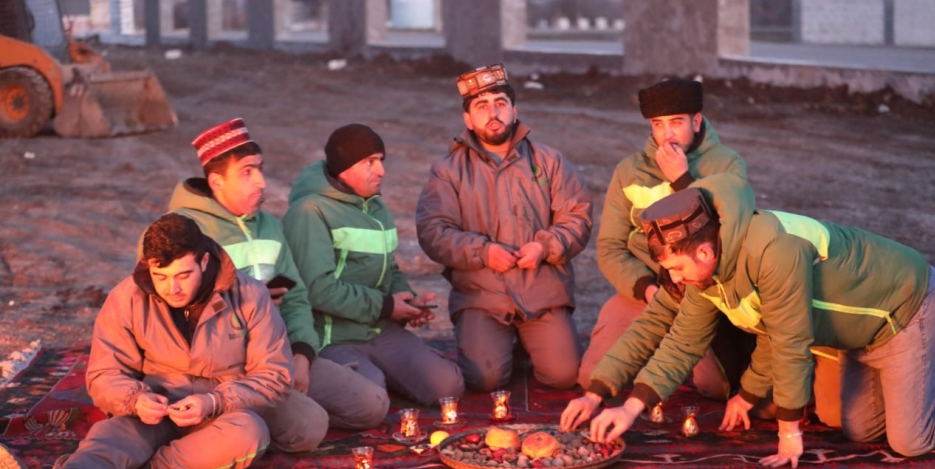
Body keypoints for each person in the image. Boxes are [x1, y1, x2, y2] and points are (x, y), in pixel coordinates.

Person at [565, 184, 935, 466]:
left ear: (704, 251)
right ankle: (920, 383)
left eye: (677, 268)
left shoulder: (774, 251)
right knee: (861, 429)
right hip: (858, 339)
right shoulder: (706, 275)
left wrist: (789, 431)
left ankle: (928, 368)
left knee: (910, 441)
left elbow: (791, 342)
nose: (675, 279)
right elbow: (682, 343)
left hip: (905, 308)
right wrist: (627, 407)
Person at [0, 214, 293, 469]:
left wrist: (213, 401)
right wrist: (135, 399)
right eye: (161, 276)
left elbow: (275, 375)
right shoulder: (126, 298)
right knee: (115, 436)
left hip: (222, 407)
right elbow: (103, 374)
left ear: (204, 261)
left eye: (183, 275)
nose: (172, 288)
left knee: (251, 433)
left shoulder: (249, 294)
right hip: (154, 407)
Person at [169, 118, 389, 440]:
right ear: (216, 181)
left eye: (260, 169)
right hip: (218, 372)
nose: (261, 182)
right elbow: (166, 317)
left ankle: (259, 418)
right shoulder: (180, 233)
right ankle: (236, 421)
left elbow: (296, 297)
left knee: (371, 405)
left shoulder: (270, 227)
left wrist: (301, 353)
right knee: (308, 429)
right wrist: (241, 301)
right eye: (247, 172)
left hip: (276, 357)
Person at [416, 64, 592, 393]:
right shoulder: (448, 171)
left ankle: (530, 341)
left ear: (514, 111)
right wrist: (483, 252)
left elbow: (577, 217)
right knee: (485, 380)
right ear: (468, 119)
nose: (493, 113)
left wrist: (544, 248)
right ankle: (495, 340)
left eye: (500, 103)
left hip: (541, 289)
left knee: (564, 376)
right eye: (481, 106)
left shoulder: (549, 161)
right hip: (481, 294)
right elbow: (433, 231)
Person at [577, 78, 753, 401]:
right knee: (593, 379)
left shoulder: (727, 164)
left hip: (701, 294)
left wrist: (681, 180)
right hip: (647, 291)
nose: (667, 134)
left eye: (676, 123)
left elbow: (728, 238)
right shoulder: (629, 170)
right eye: (658, 124)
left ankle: (672, 358)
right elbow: (610, 248)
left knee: (717, 388)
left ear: (696, 121)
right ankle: (651, 354)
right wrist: (646, 288)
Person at [282, 123, 464, 405]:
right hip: (333, 337)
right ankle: (356, 377)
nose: (381, 171)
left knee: (448, 387)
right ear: (344, 168)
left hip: (380, 328)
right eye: (370, 162)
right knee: (370, 400)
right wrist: (386, 306)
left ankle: (381, 374)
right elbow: (317, 289)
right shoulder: (310, 211)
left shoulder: (377, 208)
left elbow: (389, 269)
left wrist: (406, 301)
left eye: (380, 160)